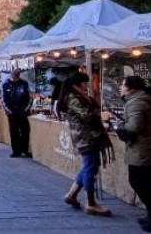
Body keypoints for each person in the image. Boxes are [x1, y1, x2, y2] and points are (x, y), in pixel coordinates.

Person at [116, 76, 151, 233]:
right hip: (147, 147)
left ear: (130, 87)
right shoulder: (143, 99)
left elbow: (134, 126)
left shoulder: (136, 101)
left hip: (142, 149)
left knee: (140, 182)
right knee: (150, 183)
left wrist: (121, 125)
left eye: (122, 84)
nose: (120, 87)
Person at [58, 72, 114, 216]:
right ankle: (91, 202)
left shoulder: (81, 96)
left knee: (90, 166)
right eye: (84, 83)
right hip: (85, 137)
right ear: (77, 84)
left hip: (90, 137)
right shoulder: (73, 98)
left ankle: (72, 194)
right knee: (90, 167)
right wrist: (99, 113)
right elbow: (86, 115)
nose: (87, 85)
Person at [2, 69, 32, 158]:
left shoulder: (24, 84)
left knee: (25, 131)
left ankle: (24, 150)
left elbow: (29, 98)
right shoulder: (6, 85)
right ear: (11, 75)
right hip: (11, 113)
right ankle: (16, 151)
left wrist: (26, 109)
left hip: (23, 112)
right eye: (14, 74)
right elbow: (4, 100)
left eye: (17, 74)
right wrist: (9, 111)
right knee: (14, 132)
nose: (15, 76)